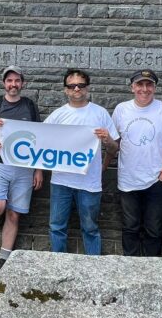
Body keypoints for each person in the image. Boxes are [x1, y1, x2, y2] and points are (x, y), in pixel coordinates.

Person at [111, 69, 162, 257]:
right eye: (140, 84)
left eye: (149, 84)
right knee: (130, 227)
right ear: (132, 87)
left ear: (154, 87)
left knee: (154, 229)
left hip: (157, 181)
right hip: (128, 180)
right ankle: (130, 266)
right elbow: (115, 143)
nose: (144, 89)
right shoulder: (121, 109)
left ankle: (152, 269)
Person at [43, 69, 119, 256]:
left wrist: (108, 139)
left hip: (89, 182)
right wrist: (9, 141)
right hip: (61, 181)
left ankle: (93, 268)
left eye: (81, 85)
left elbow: (114, 148)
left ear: (88, 88)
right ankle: (58, 265)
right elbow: (39, 142)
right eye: (72, 86)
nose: (77, 88)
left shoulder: (100, 113)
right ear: (65, 90)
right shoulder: (58, 115)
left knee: (90, 228)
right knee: (56, 227)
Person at [0, 66, 42, 272]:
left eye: (17, 81)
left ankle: (3, 259)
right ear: (4, 83)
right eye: (9, 81)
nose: (13, 84)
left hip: (23, 169)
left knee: (14, 215)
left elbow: (40, 138)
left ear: (23, 83)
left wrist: (38, 170)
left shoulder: (30, 106)